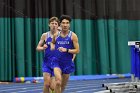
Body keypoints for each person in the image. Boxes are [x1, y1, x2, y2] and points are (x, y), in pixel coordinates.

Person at [51, 15, 80, 93]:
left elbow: (77, 50)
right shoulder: (56, 35)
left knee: (63, 86)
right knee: (58, 82)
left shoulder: (73, 36)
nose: (65, 25)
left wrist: (66, 50)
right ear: (60, 24)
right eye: (63, 23)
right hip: (57, 62)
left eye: (67, 23)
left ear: (69, 25)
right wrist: (53, 48)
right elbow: (53, 43)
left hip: (67, 63)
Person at [36, 17, 59, 93]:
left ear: (58, 25)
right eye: (52, 23)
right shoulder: (45, 35)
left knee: (52, 86)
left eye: (56, 24)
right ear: (49, 24)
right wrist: (43, 48)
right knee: (46, 84)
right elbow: (37, 48)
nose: (54, 25)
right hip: (47, 63)